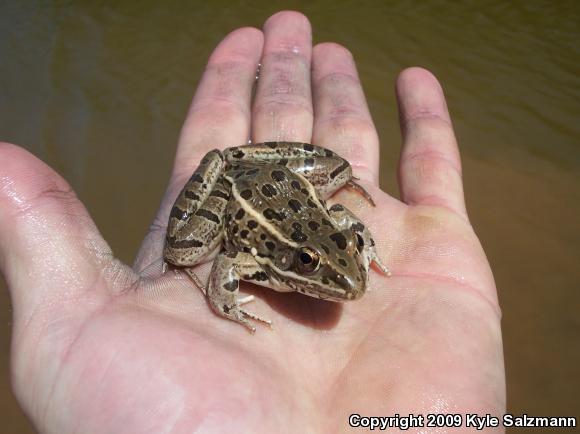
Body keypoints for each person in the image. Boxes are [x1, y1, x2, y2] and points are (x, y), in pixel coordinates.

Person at [0, 11, 505, 433]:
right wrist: (227, 306)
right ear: (292, 262)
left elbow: (350, 227)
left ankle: (246, 164)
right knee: (183, 251)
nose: (346, 281)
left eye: (343, 258)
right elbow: (226, 263)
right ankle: (230, 165)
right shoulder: (261, 258)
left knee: (342, 169)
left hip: (285, 183)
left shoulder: (338, 248)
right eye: (311, 264)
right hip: (238, 195)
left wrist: (362, 246)